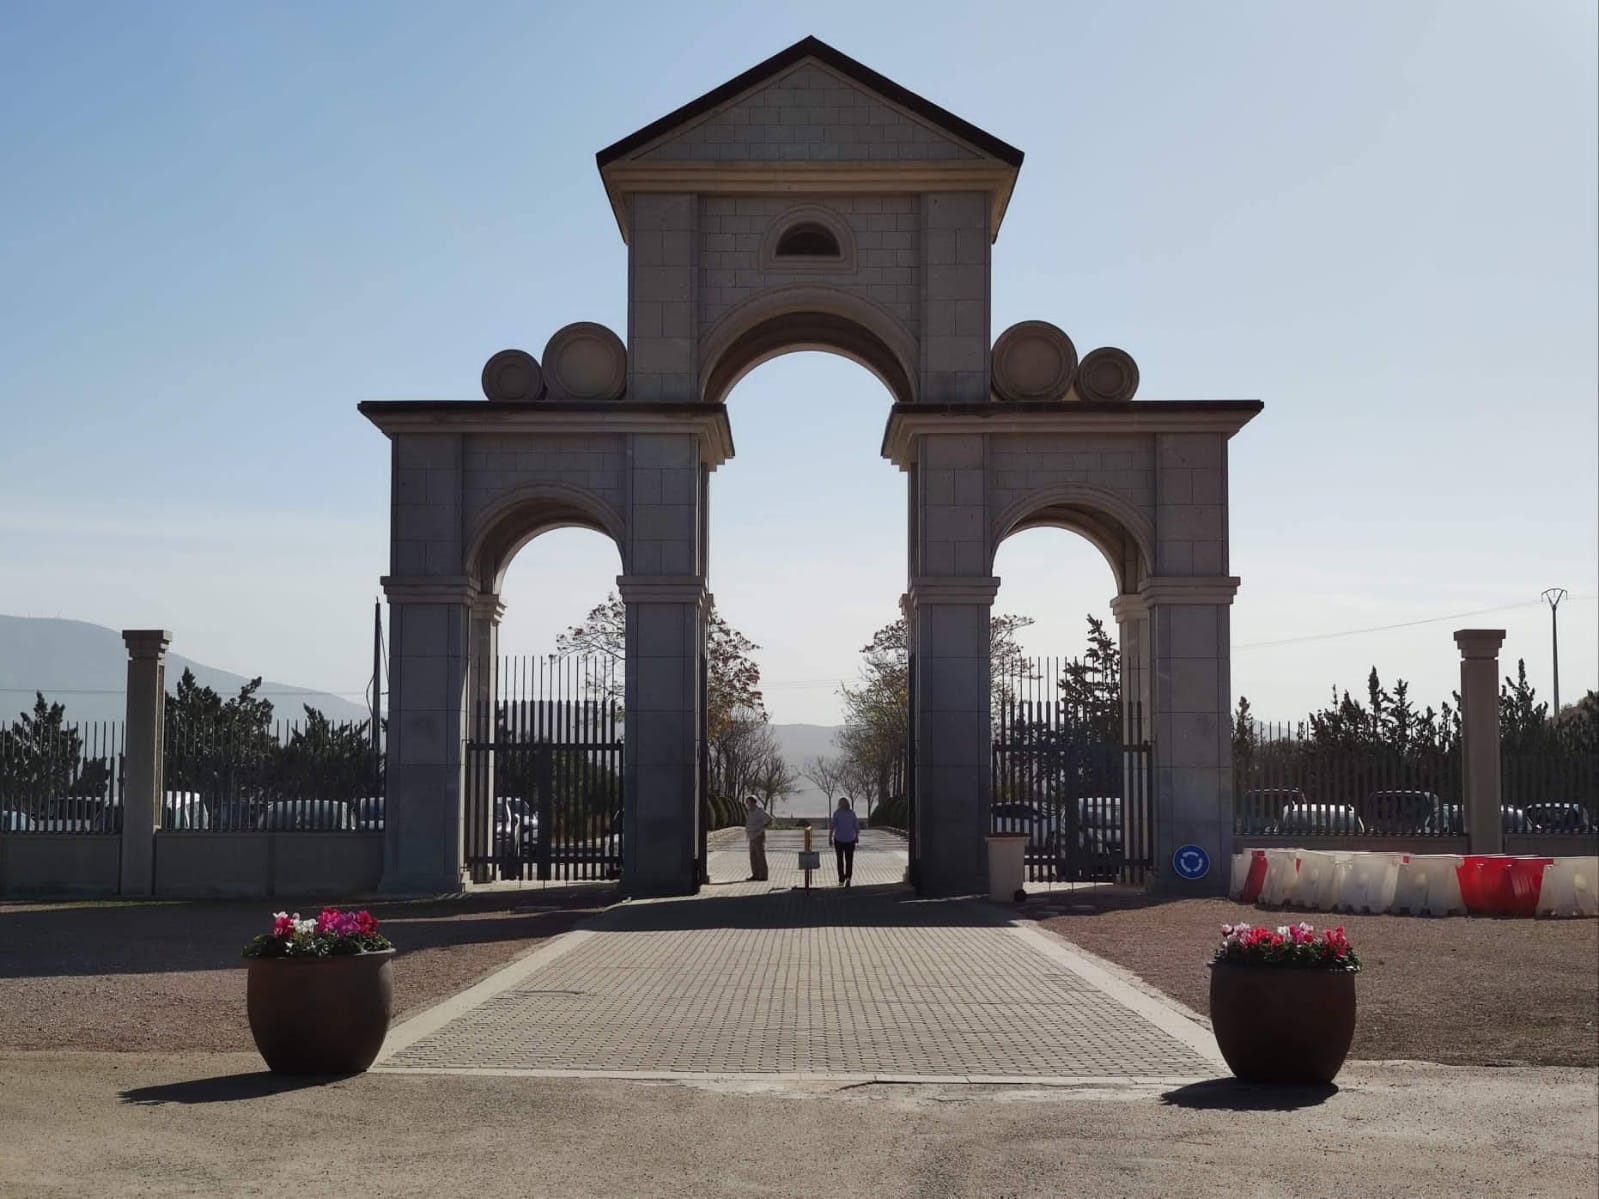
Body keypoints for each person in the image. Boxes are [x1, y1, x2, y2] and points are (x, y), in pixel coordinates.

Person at [829, 797, 859, 887]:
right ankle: (848, 878)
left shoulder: (837, 813)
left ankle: (841, 879)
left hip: (839, 839)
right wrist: (857, 836)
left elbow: (832, 826)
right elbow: (856, 826)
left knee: (840, 860)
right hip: (850, 839)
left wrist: (830, 837)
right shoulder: (852, 813)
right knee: (849, 860)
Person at [744, 796, 772, 882]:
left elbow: (769, 819)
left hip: (758, 835)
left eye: (749, 802)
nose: (748, 804)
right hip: (751, 836)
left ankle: (763, 875)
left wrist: (762, 827)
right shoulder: (750, 812)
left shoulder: (759, 811)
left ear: (753, 802)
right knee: (753, 856)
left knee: (760, 856)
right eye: (747, 803)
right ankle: (755, 874)